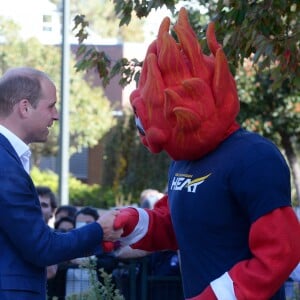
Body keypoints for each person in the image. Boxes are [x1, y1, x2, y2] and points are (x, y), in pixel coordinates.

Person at [108, 8, 300, 300]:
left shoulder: (255, 158)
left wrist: (218, 296)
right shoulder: (182, 160)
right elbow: (178, 224)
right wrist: (135, 221)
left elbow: (281, 250)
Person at [0, 66, 121, 300]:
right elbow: (41, 247)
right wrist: (100, 229)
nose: (56, 115)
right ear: (25, 107)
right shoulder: (5, 165)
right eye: (51, 106)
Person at [66, 206, 118, 297]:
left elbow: (110, 262)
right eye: (80, 223)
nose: (84, 228)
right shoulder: (67, 243)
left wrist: (88, 262)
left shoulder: (104, 244)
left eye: (88, 224)